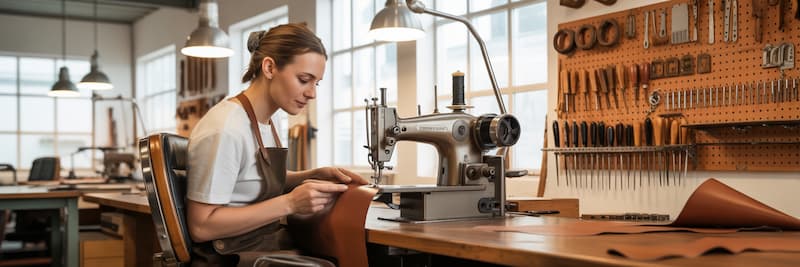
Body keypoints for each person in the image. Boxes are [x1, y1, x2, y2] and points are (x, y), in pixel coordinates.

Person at [185, 23, 368, 266]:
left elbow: (248, 179)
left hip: (261, 244)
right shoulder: (226, 128)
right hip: (228, 257)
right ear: (269, 67)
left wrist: (313, 175)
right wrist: (290, 203)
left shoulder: (269, 120)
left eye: (317, 83)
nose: (312, 93)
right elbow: (201, 226)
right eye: (304, 79)